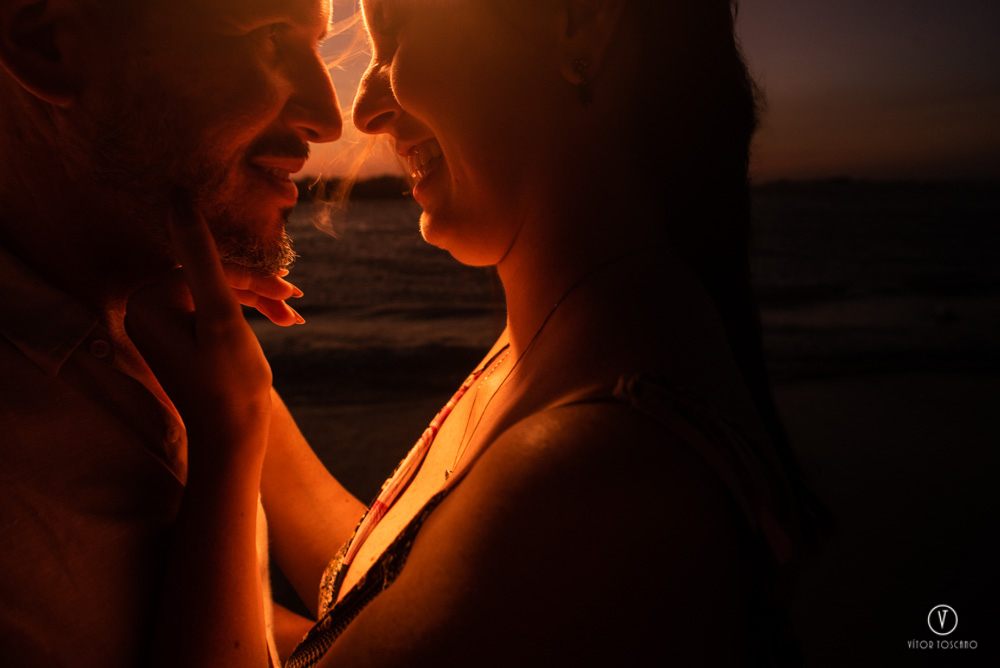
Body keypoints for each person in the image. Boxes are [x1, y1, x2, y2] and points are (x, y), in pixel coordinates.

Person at [128, 0, 818, 665]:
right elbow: (383, 597)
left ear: (578, 19)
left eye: (397, 33)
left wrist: (229, 442)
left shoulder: (598, 476)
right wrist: (246, 396)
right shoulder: (566, 346)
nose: (363, 111)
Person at [0, 0, 366, 665]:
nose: (329, 118)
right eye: (271, 37)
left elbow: (260, 637)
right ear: (49, 42)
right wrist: (235, 434)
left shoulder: (163, 338)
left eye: (318, 46)